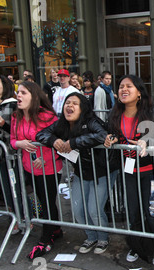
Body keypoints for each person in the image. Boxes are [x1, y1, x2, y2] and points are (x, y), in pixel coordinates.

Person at [37, 92, 119, 255]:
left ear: (82, 108)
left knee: (94, 209)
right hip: (81, 171)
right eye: (67, 103)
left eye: (74, 103)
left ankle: (102, 238)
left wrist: (74, 143)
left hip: (102, 170)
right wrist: (54, 140)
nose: (69, 106)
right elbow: (40, 134)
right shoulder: (61, 124)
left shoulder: (91, 121)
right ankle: (91, 236)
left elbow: (102, 135)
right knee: (78, 209)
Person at [104, 75, 154, 265]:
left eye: (129, 86)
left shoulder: (153, 112)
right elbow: (112, 133)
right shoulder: (114, 114)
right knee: (133, 212)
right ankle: (137, 245)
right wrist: (110, 139)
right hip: (128, 171)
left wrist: (147, 142)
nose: (124, 89)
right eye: (121, 86)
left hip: (151, 171)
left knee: (152, 213)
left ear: (139, 92)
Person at [10, 81, 63, 259]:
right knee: (41, 201)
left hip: (49, 167)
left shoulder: (47, 116)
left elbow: (56, 140)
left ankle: (46, 240)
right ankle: (55, 229)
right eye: (18, 93)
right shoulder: (15, 116)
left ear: (34, 96)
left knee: (48, 203)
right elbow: (12, 139)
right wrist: (19, 143)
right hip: (28, 167)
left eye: (23, 93)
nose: (18, 96)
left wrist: (43, 155)